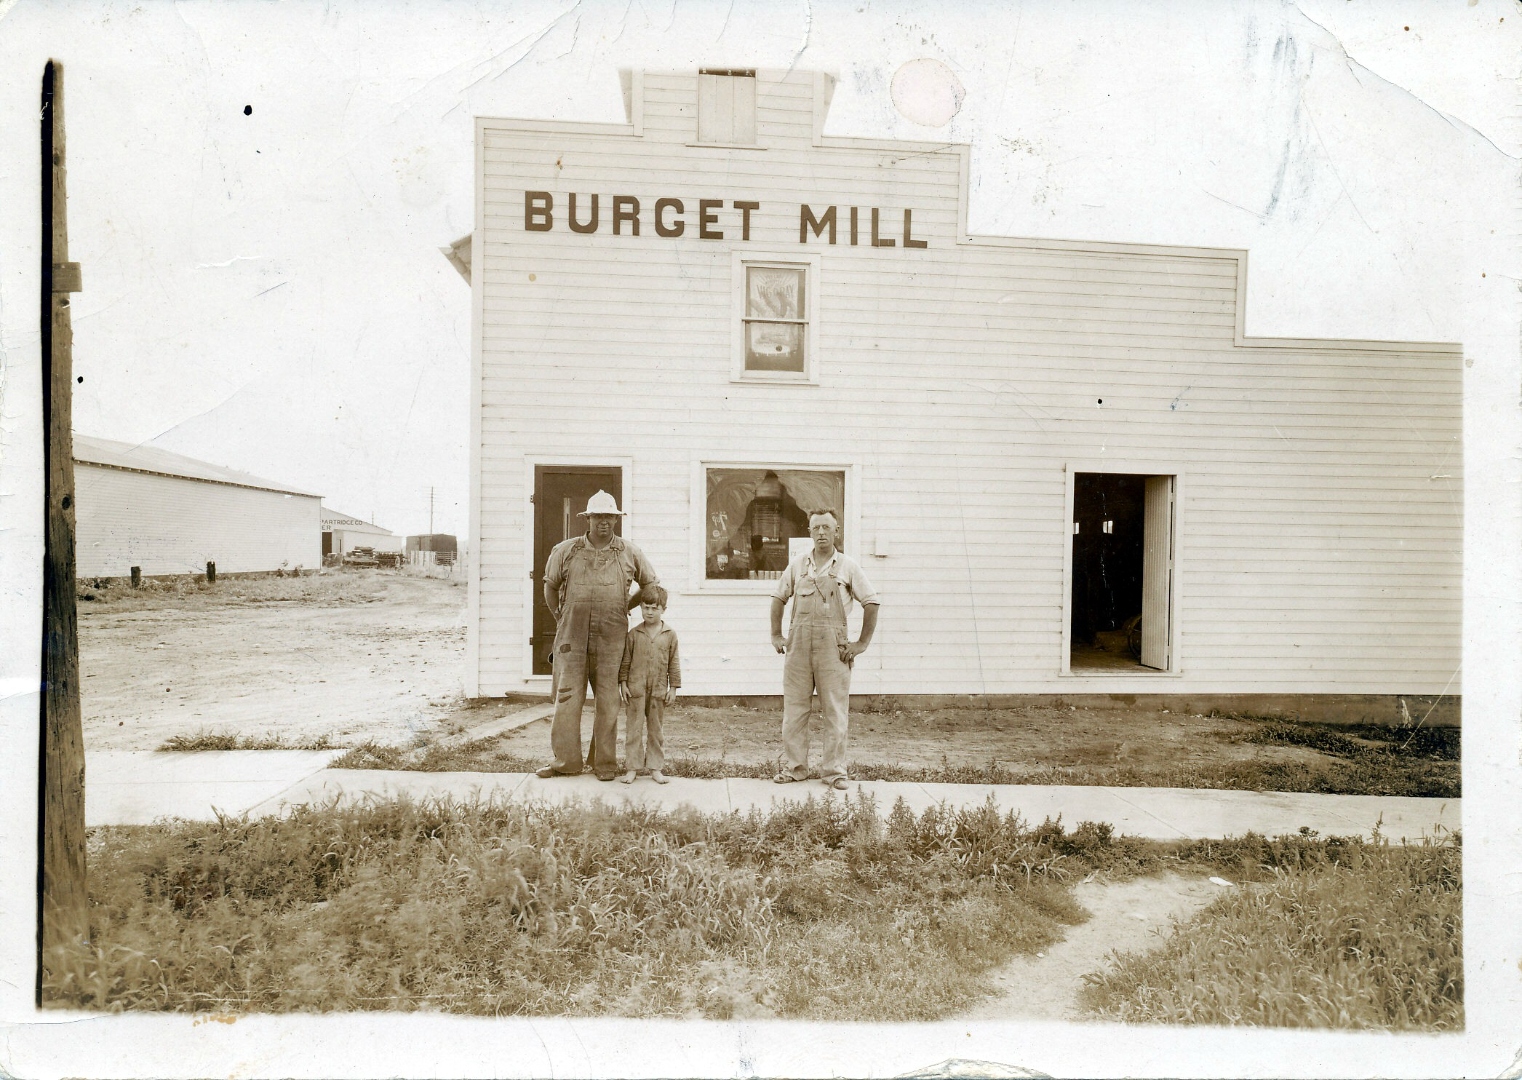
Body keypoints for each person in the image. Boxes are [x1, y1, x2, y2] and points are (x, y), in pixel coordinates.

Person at [537, 491, 660, 781]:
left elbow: (650, 583)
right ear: (587, 518)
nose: (604, 522)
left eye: (610, 517)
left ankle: (604, 764)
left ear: (616, 519)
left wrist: (624, 606)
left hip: (612, 636)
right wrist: (560, 615)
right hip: (571, 636)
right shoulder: (565, 550)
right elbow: (550, 585)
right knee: (567, 699)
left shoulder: (630, 552)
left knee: (608, 702)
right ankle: (564, 762)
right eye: (598, 516)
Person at [769, 510, 880, 790]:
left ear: (836, 531)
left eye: (826, 528)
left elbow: (871, 602)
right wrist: (776, 635)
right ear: (809, 531)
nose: (821, 532)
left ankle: (833, 772)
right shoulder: (797, 565)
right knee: (794, 711)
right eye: (816, 527)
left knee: (835, 711)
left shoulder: (848, 566)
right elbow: (779, 598)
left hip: (834, 650)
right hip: (798, 650)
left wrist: (861, 644)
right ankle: (795, 768)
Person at [618, 584, 681, 784]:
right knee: (633, 729)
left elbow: (674, 662)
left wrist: (673, 688)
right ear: (641, 608)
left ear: (663, 609)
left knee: (656, 730)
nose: (650, 612)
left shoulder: (670, 634)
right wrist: (623, 682)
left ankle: (655, 768)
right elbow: (625, 661)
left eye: (655, 608)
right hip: (635, 689)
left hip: (658, 690)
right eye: (646, 607)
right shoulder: (634, 634)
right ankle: (632, 768)